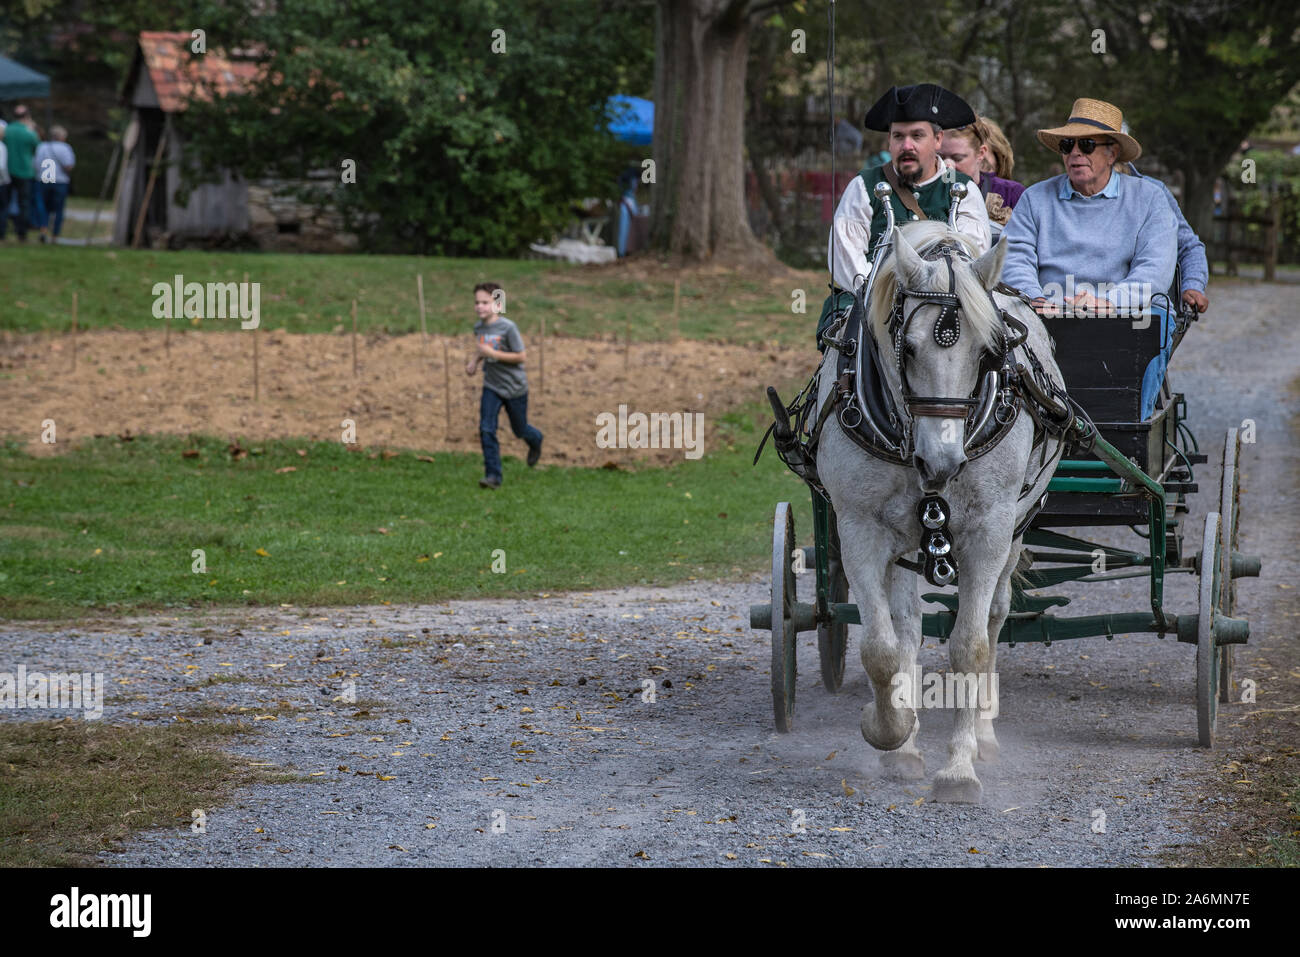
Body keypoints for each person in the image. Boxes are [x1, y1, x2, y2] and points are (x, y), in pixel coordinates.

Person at [1000, 97, 1176, 418]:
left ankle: (1130, 427)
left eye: (1087, 144)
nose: (1075, 153)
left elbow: (1154, 272)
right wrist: (1036, 300)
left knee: (1155, 321)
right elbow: (1014, 259)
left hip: (1125, 311)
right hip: (1049, 309)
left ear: (1113, 152)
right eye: (1068, 145)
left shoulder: (1149, 198)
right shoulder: (1035, 198)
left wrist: (1107, 302)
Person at [817, 83, 992, 349]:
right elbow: (847, 262)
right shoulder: (864, 186)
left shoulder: (962, 188)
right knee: (847, 349)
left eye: (917, 135)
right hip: (868, 302)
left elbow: (971, 259)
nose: (906, 145)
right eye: (898, 136)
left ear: (937, 140)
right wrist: (889, 297)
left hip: (942, 300)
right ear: (889, 140)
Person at [1116, 122, 1209, 314]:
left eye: (1089, 147)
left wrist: (1193, 284)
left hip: (1137, 306)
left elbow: (1188, 246)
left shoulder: (1152, 193)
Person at [466, 281, 543, 489]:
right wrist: (474, 361)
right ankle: (493, 476)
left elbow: (521, 356)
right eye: (477, 302)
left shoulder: (508, 328)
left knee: (520, 430)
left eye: (485, 302)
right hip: (491, 385)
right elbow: (483, 348)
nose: (480, 307)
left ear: (497, 303)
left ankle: (535, 439)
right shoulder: (478, 327)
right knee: (486, 428)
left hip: (515, 388)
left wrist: (494, 354)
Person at [939, 117, 1025, 243]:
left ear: (980, 153)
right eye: (940, 157)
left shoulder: (1010, 192)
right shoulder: (927, 191)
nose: (948, 165)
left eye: (957, 158)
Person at [3, 105, 39, 243]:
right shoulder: (29, 132)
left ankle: (2, 232)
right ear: (26, 116)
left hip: (7, 171)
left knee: (4, 203)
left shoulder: (7, 130)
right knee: (24, 203)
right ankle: (21, 234)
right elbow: (37, 147)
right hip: (24, 171)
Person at [34, 125, 75, 242]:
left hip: (44, 180)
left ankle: (43, 229)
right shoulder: (65, 148)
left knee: (43, 206)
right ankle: (55, 234)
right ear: (62, 137)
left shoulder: (42, 146)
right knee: (58, 209)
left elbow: (36, 164)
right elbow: (69, 165)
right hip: (60, 181)